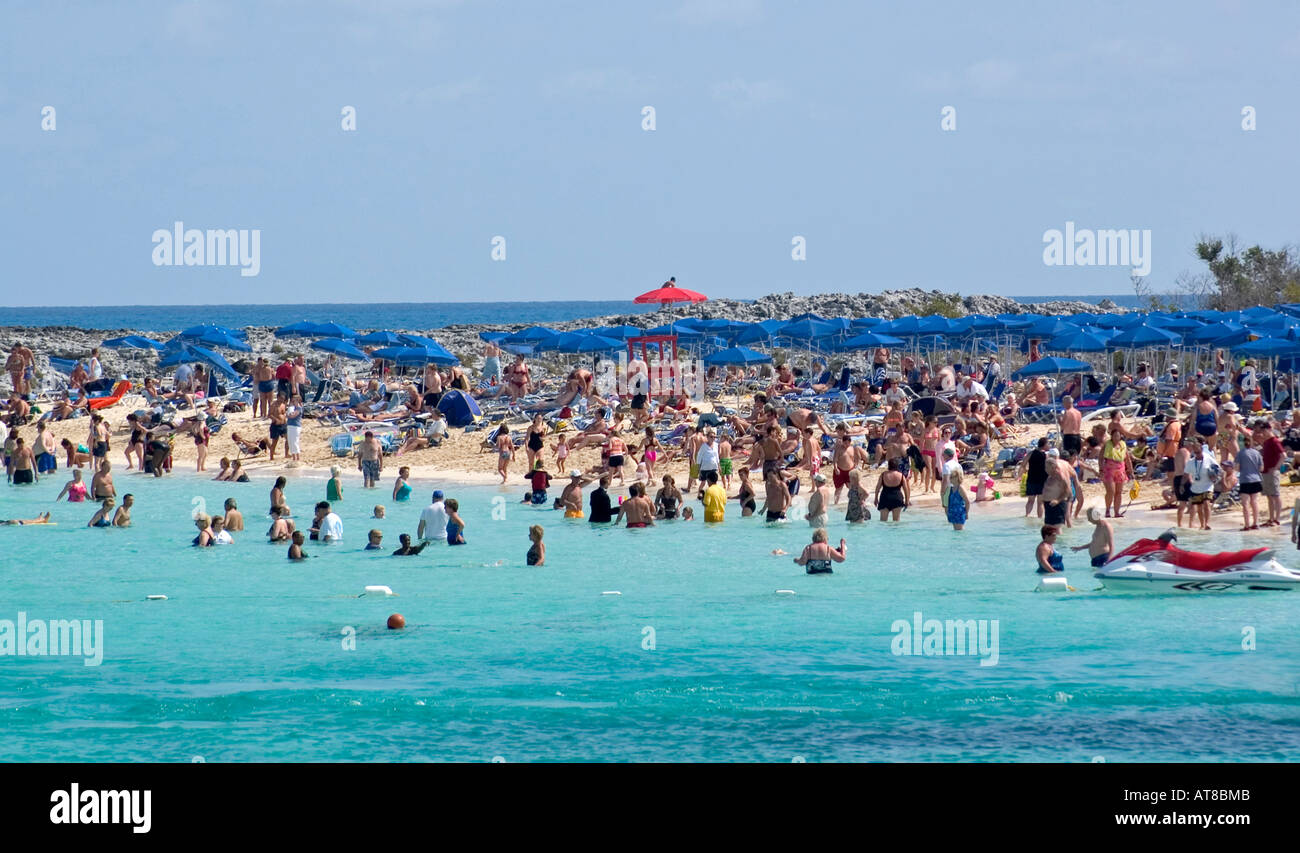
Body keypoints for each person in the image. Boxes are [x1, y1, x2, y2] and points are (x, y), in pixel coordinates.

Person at [1258, 420, 1285, 527]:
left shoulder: (1274, 441)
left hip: (1272, 472)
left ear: (1269, 429)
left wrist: (1276, 468)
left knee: (1275, 495)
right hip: (1265, 471)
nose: (1262, 433)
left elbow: (1283, 455)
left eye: (1263, 430)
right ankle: (1271, 518)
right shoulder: (1266, 442)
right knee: (1269, 496)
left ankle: (1277, 519)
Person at [1237, 434, 1264, 530]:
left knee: (1245, 503)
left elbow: (1237, 468)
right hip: (1256, 479)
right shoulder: (1257, 453)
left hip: (1245, 479)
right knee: (1254, 502)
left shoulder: (1240, 453)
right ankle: (1255, 523)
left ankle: (1247, 525)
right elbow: (1261, 468)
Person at [1020, 437, 1048, 518]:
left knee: (1030, 501)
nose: (1049, 445)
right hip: (1042, 481)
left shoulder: (1031, 453)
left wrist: (1026, 470)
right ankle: (1039, 518)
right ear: (1044, 445)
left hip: (1031, 479)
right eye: (1048, 444)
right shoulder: (1046, 455)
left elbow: (1023, 464)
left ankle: (1027, 515)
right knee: (1040, 502)